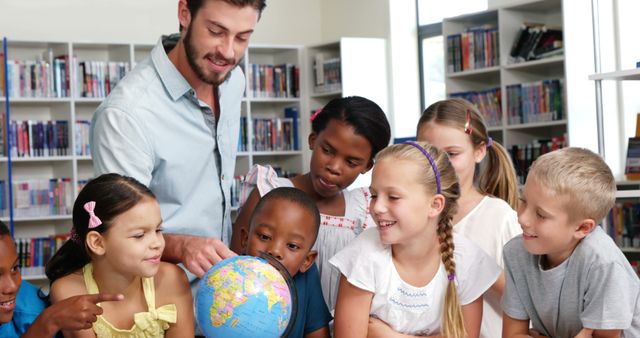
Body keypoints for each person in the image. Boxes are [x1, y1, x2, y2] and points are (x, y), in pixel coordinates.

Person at [90, 0, 266, 280]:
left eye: (242, 37)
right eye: (216, 31)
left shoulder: (233, 80)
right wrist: (185, 246)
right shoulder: (126, 115)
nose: (229, 52)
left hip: (222, 293)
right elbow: (119, 230)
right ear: (185, 13)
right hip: (159, 301)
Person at [231, 95, 391, 311]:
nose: (334, 167)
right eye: (328, 150)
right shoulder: (268, 193)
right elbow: (232, 267)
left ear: (367, 167)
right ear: (313, 139)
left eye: (351, 162)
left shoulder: (364, 210)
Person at [331, 142, 500, 338]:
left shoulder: (467, 260)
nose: (376, 207)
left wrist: (390, 336)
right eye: (374, 195)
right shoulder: (364, 254)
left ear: (435, 205)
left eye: (393, 197)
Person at [502, 147, 640, 338]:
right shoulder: (516, 252)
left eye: (541, 215)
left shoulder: (603, 263)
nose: (523, 219)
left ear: (582, 228)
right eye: (523, 201)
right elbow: (512, 335)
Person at [416, 98, 521, 338]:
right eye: (428, 153)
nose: (438, 164)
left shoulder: (500, 217)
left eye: (451, 153)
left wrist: (476, 263)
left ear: (479, 151)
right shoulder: (410, 214)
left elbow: (528, 301)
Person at [45, 174, 194, 337]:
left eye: (158, 230)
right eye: (139, 235)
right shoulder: (69, 290)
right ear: (97, 243)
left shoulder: (173, 279)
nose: (157, 243)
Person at [0, 221, 124, 338]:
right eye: (138, 236)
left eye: (14, 268)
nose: (12, 286)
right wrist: (46, 324)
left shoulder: (31, 309)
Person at [241, 187, 332, 338]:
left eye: (292, 246)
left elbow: (317, 333)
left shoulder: (307, 278)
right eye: (264, 237)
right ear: (245, 239)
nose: (275, 251)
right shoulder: (228, 277)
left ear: (306, 261)